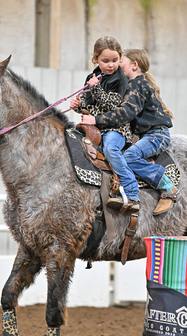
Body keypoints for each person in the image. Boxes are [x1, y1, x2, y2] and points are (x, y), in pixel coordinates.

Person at [81, 48, 178, 215]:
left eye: (121, 63)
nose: (118, 66)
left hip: (156, 135)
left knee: (129, 157)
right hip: (150, 134)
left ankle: (166, 186)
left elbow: (125, 113)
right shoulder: (136, 84)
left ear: (134, 65)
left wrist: (95, 120)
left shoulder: (137, 85)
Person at [70, 36, 140, 212]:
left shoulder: (121, 79)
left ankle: (132, 191)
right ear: (96, 60)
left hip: (116, 128)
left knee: (110, 149)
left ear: (120, 58)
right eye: (105, 61)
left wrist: (95, 88)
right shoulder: (92, 76)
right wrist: (79, 106)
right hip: (94, 127)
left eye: (115, 60)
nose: (111, 65)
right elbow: (89, 106)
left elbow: (113, 105)